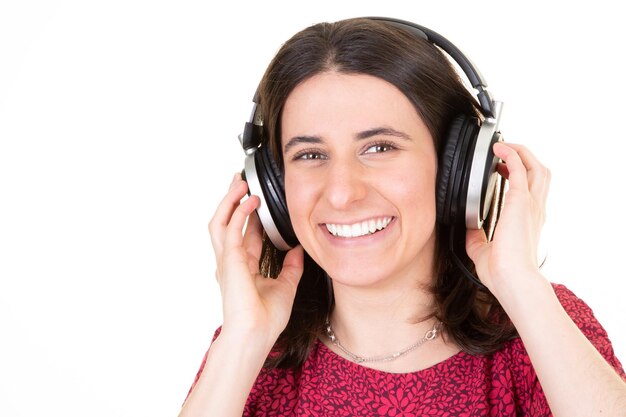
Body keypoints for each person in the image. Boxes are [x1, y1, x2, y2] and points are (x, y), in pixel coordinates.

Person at [179, 17, 626, 416]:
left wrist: (521, 285)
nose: (341, 192)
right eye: (310, 154)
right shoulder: (250, 355)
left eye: (380, 147)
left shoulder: (540, 328)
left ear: (459, 170)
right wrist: (242, 340)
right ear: (272, 186)